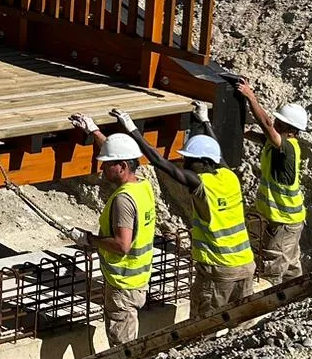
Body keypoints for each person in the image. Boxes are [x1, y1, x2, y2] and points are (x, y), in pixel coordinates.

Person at [108, 104, 254, 318]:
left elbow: (160, 162)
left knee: (203, 324)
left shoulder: (201, 184)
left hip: (219, 271)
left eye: (189, 160)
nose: (184, 163)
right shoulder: (228, 176)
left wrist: (131, 128)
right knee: (242, 321)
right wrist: (205, 121)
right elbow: (217, 152)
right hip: (245, 265)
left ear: (203, 162)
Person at [67, 116, 158, 346]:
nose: (102, 168)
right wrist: (95, 132)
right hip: (137, 281)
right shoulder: (143, 187)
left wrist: (90, 240)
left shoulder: (124, 201)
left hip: (123, 287)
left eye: (108, 164)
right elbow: (120, 154)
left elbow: (122, 245)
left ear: (123, 167)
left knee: (122, 347)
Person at [236, 81, 309, 286]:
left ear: (291, 130)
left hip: (284, 221)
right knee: (291, 265)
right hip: (288, 221)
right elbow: (261, 135)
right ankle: (301, 298)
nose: (275, 124)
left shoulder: (287, 148)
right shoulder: (278, 145)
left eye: (280, 124)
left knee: (272, 268)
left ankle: (272, 311)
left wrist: (251, 97)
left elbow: (266, 126)